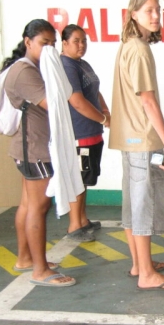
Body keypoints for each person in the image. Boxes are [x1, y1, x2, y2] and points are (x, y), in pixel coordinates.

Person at [108, 0, 164, 290]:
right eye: (149, 10)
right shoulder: (139, 49)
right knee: (143, 205)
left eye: (158, 10)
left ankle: (140, 265)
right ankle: (147, 276)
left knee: (132, 203)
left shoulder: (128, 45)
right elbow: (148, 102)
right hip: (142, 138)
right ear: (134, 14)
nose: (155, 16)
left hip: (130, 140)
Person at [2, 19, 75, 287]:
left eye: (53, 44)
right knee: (38, 207)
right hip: (34, 149)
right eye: (45, 43)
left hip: (30, 146)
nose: (50, 49)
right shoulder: (25, 72)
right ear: (28, 42)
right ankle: (40, 270)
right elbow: (52, 103)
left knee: (27, 205)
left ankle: (25, 259)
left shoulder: (33, 67)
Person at [60, 24, 111, 242]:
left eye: (84, 41)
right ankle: (74, 226)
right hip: (79, 132)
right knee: (78, 180)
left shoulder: (82, 64)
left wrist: (105, 111)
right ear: (64, 43)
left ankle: (82, 220)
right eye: (76, 41)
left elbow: (94, 91)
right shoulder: (67, 66)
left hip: (92, 132)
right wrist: (103, 119)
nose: (81, 45)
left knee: (85, 179)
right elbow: (77, 101)